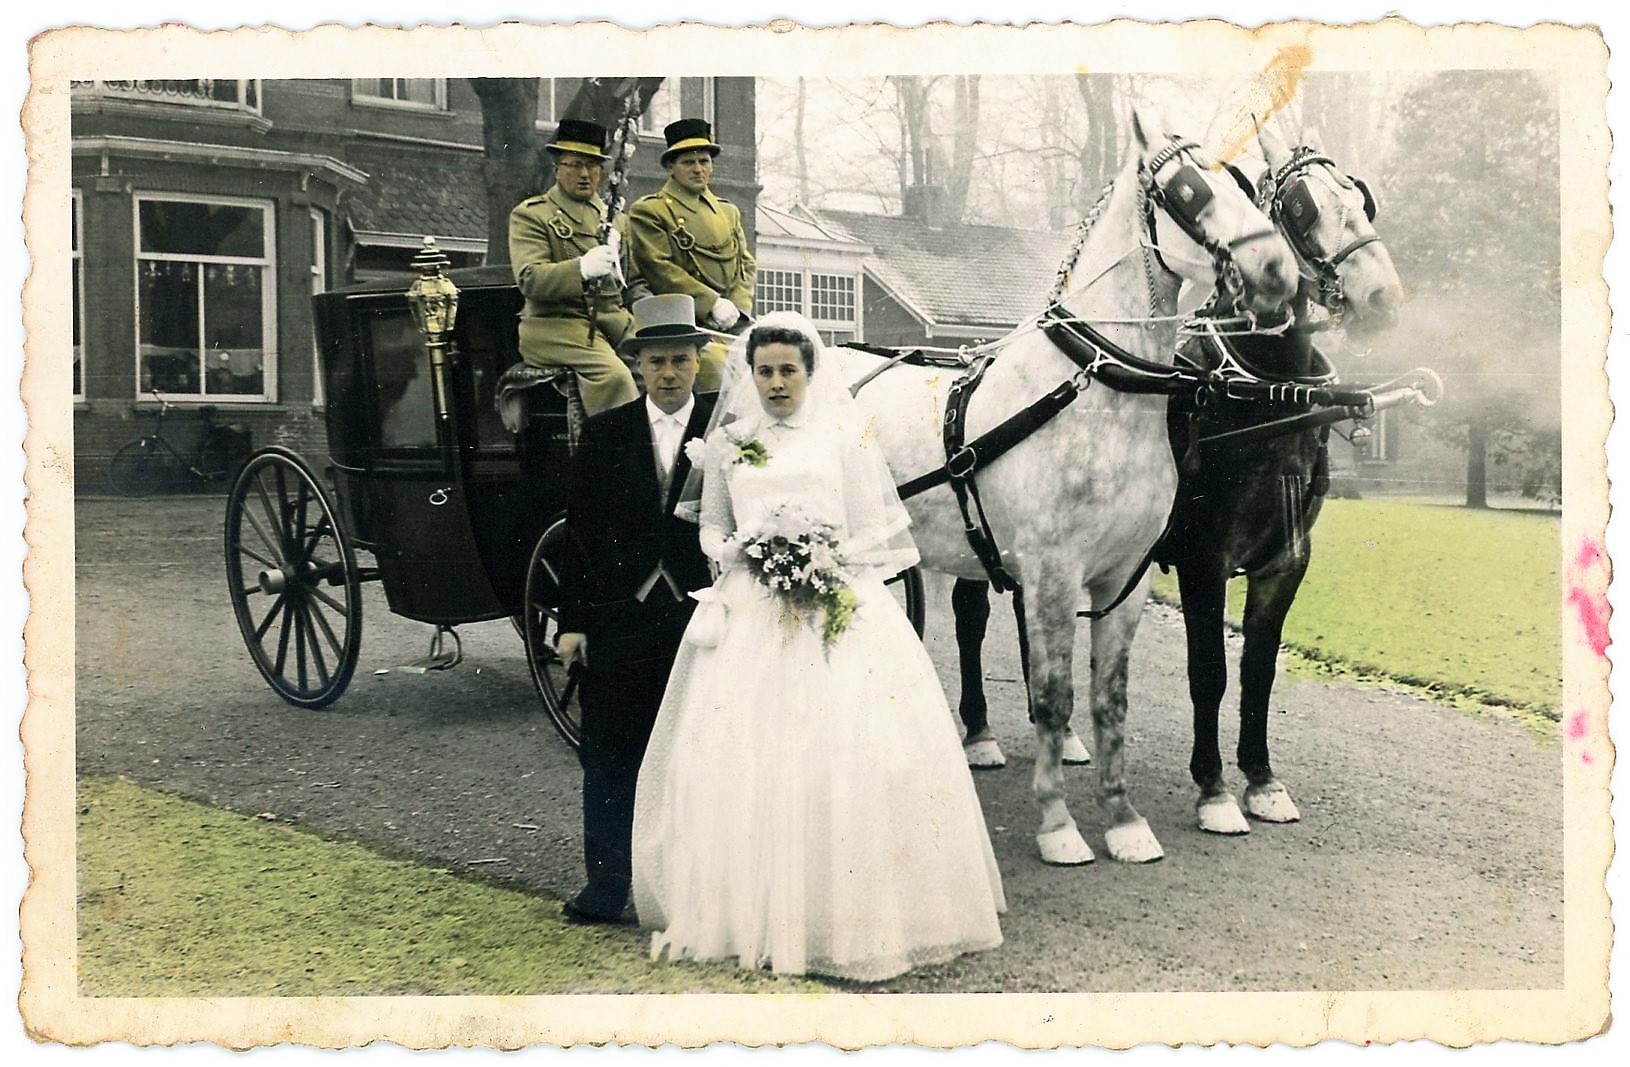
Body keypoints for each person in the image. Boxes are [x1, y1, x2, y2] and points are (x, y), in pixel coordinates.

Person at [631, 311, 1005, 982]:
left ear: (810, 373)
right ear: (750, 376)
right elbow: (710, 528)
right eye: (765, 371)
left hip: (835, 603)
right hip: (753, 609)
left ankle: (847, 915)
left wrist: (823, 556)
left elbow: (880, 531)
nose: (776, 383)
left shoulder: (844, 435)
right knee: (748, 756)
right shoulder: (731, 443)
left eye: (788, 371)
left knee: (849, 752)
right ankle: (753, 910)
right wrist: (744, 549)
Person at [554, 293, 716, 924]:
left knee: (698, 749)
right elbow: (580, 536)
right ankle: (607, 881)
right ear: (638, 366)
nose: (669, 373)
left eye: (680, 359)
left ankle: (691, 883)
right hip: (621, 618)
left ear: (698, 360)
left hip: (701, 619)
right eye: (656, 362)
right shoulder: (605, 433)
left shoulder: (726, 433)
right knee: (611, 749)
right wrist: (572, 623)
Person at [508, 119, 638, 417]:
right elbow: (530, 279)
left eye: (593, 165)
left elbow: (632, 282)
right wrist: (581, 269)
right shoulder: (532, 215)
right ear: (557, 168)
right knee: (615, 379)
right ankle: (614, 447)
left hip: (612, 323)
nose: (585, 174)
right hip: (555, 326)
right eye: (575, 164)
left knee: (665, 367)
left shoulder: (615, 218)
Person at [625, 117, 756, 393]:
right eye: (688, 162)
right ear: (670, 167)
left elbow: (745, 265)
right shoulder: (651, 211)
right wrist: (711, 303)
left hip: (731, 321)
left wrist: (737, 307)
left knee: (776, 355)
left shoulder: (729, 211)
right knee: (716, 369)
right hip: (682, 323)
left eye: (704, 161)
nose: (698, 169)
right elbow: (659, 268)